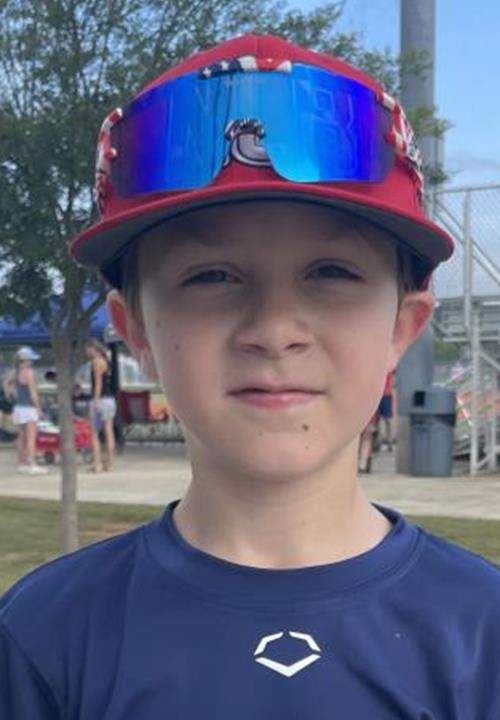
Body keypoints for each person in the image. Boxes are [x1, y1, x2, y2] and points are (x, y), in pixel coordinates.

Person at [1, 34, 499, 718]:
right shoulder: (44, 634)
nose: (273, 328)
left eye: (331, 272)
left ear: (402, 326)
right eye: (212, 276)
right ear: (136, 329)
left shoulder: (482, 632)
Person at [4, 346, 48, 474]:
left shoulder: (15, 371)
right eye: (30, 359)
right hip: (29, 408)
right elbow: (33, 393)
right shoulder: (29, 373)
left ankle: (21, 463)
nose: (31, 362)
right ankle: (32, 464)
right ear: (25, 360)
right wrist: (39, 408)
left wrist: (10, 395)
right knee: (31, 438)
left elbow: (6, 383)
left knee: (21, 437)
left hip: (19, 408)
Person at [84, 337, 116, 472]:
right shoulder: (106, 361)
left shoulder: (96, 362)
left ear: (92, 348)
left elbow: (98, 383)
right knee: (109, 431)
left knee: (95, 432)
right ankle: (110, 463)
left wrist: (96, 399)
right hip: (109, 400)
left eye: (87, 349)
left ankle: (97, 463)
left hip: (100, 399)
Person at [376, 369, 395, 451]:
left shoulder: (389, 366)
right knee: (377, 421)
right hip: (377, 393)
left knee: (388, 420)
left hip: (386, 394)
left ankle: (389, 442)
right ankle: (378, 442)